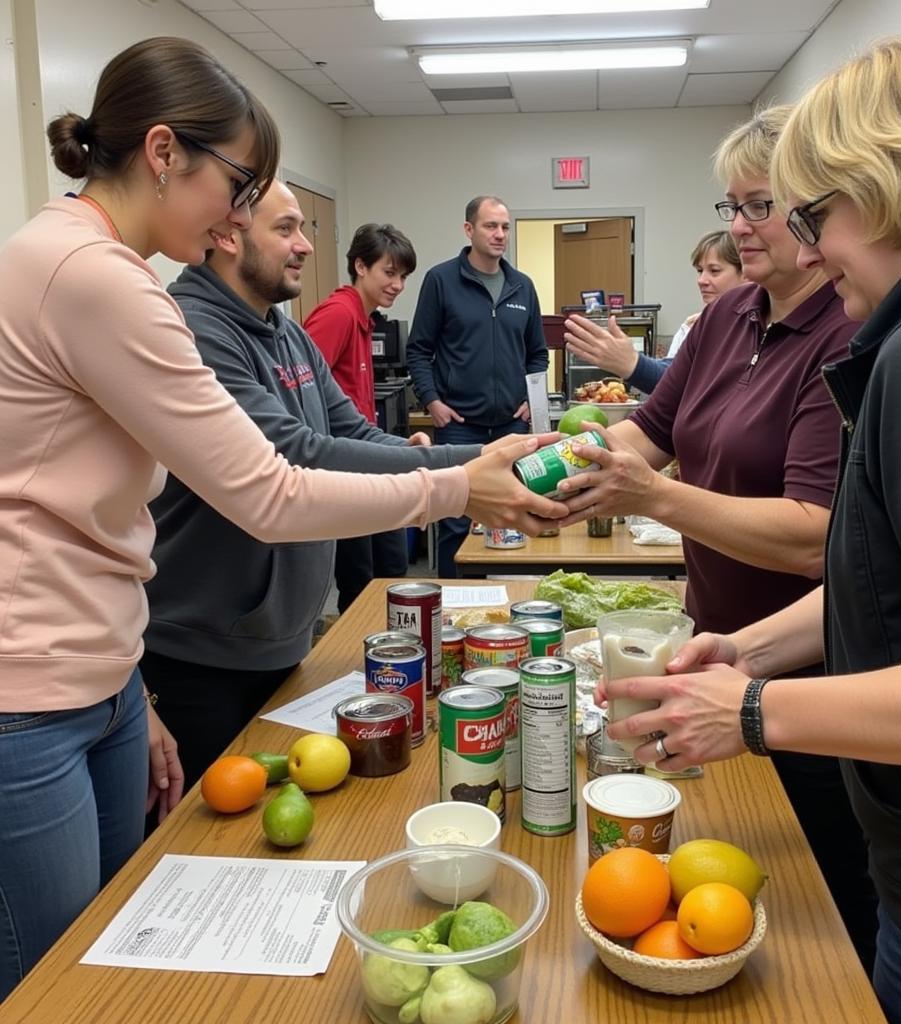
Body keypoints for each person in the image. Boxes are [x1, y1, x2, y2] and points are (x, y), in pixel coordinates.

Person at [0, 37, 565, 1002]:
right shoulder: (96, 275)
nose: (236, 214)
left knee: (115, 946)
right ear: (166, 151)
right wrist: (459, 486)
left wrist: (125, 687)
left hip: (96, 667)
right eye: (241, 183)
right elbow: (268, 489)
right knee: (61, 985)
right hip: (33, 683)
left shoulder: (94, 264)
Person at [601, 38, 901, 1023]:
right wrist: (746, 648)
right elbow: (893, 580)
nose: (809, 245)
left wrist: (751, 714)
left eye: (811, 216)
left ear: (877, 190)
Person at [562, 108, 878, 970]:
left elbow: (812, 536)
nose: (737, 227)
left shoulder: (844, 335)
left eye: (759, 206)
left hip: (807, 680)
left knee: (811, 913)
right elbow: (649, 432)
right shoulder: (734, 313)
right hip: (715, 644)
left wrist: (656, 497)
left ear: (816, 216)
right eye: (729, 206)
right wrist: (567, 461)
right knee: (712, 870)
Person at [142, 182, 484, 796]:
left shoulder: (284, 330)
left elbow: (349, 429)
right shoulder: (195, 328)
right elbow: (295, 452)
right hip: (204, 655)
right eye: (286, 229)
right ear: (227, 233)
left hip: (277, 639)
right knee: (215, 835)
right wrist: (464, 476)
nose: (303, 246)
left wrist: (459, 457)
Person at [407, 195, 549, 576]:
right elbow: (418, 350)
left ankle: (509, 602)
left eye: (505, 227)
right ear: (469, 229)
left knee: (515, 512)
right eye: (491, 226)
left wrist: (531, 401)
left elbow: (538, 354)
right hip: (459, 425)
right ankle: (453, 605)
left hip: (511, 424)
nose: (500, 234)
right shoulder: (441, 281)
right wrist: (432, 400)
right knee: (456, 519)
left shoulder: (522, 287)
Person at [304, 222, 421, 612]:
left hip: (368, 459)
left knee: (391, 564)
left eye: (403, 276)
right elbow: (299, 388)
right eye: (389, 272)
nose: (398, 284)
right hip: (345, 468)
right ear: (360, 266)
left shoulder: (363, 318)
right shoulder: (337, 314)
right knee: (360, 576)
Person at [566, 229, 743, 393]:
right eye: (699, 271)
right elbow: (671, 381)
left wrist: (631, 363)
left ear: (746, 274)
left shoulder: (755, 331)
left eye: (714, 271)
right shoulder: (691, 328)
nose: (702, 280)